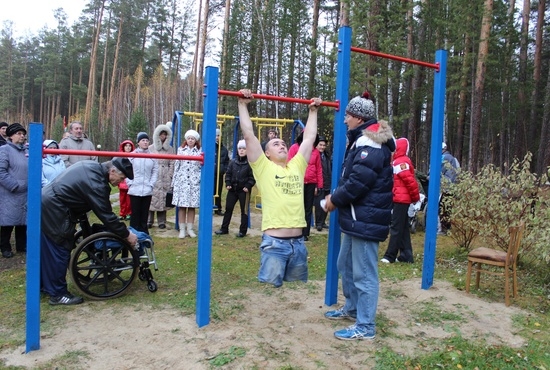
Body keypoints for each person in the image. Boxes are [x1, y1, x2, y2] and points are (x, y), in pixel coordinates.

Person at [323, 91, 395, 341]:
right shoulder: (360, 140)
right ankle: (352, 308)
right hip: (356, 217)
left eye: (348, 116)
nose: (344, 120)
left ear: (358, 118)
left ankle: (365, 326)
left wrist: (334, 199)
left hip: (366, 218)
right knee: (345, 265)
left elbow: (358, 183)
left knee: (364, 273)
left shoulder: (371, 143)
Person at [237, 88, 322, 288]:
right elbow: (249, 135)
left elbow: (309, 138)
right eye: (276, 144)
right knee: (267, 290)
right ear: (266, 153)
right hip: (275, 244)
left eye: (284, 143)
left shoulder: (297, 166)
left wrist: (313, 111)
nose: (282, 146)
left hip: (298, 245)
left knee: (296, 291)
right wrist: (242, 105)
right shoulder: (263, 167)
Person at [41, 158, 138, 305]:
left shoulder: (92, 168)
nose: (121, 182)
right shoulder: (97, 183)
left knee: (48, 250)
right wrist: (126, 234)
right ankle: (58, 294)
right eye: (122, 178)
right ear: (112, 171)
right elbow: (106, 216)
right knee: (59, 250)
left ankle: (45, 286)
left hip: (48, 203)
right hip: (55, 209)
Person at [381, 137, 420, 263]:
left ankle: (390, 256)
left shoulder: (401, 163)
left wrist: (415, 197)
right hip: (400, 198)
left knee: (396, 228)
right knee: (402, 228)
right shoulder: (399, 161)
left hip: (401, 199)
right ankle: (406, 255)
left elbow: (410, 182)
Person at [215, 139, 256, 237]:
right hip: (233, 189)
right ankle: (224, 228)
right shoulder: (233, 162)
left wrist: (248, 186)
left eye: (244, 149)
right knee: (228, 209)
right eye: (240, 148)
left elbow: (252, 177)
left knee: (244, 211)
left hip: (244, 191)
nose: (241, 150)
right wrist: (228, 183)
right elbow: (228, 174)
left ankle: (243, 231)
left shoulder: (250, 163)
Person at [287, 131, 323, 241]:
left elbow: (319, 168)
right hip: (297, 182)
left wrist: (319, 185)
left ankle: (305, 233)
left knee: (308, 208)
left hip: (311, 183)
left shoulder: (315, 151)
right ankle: (294, 231)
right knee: (297, 207)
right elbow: (289, 164)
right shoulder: (294, 148)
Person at [0, 123, 29, 258]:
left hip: (25, 192)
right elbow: (1, 171)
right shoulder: (4, 150)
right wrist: (13, 185)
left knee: (23, 220)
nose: (22, 136)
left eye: (23, 134)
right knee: (8, 221)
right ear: (11, 136)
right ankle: (5, 247)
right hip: (10, 192)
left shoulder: (26, 151)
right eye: (19, 133)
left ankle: (21, 245)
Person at [172, 129, 202, 238]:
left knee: (192, 207)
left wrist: (199, 178)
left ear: (195, 140)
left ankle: (190, 229)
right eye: (189, 138)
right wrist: (174, 182)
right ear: (186, 139)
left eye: (192, 138)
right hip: (182, 182)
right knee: (182, 206)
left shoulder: (199, 151)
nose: (190, 140)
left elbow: (200, 167)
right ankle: (182, 230)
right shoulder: (181, 150)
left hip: (194, 182)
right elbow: (177, 166)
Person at [126, 132, 158, 234]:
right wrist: (130, 183)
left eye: (147, 140)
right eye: (143, 140)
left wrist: (151, 184)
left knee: (144, 215)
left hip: (147, 190)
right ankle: (133, 236)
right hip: (135, 189)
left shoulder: (152, 156)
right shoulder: (132, 156)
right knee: (135, 214)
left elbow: (155, 171)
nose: (145, 142)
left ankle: (144, 236)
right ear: (138, 142)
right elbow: (126, 170)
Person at [148, 122, 175, 229]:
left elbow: (173, 162)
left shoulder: (170, 149)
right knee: (151, 198)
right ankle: (149, 220)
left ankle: (162, 221)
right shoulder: (151, 148)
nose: (163, 136)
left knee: (163, 199)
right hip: (154, 174)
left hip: (165, 175)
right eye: (161, 134)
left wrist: (170, 174)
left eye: (165, 135)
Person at [439, 142, 460, 234]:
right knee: (448, 208)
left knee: (442, 207)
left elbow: (440, 170)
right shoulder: (452, 158)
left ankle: (444, 228)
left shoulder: (444, 158)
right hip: (453, 186)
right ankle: (447, 227)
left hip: (446, 186)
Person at [314, 136, 331, 231]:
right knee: (318, 204)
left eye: (324, 145)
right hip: (319, 183)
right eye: (320, 145)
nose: (322, 147)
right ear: (316, 145)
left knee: (326, 203)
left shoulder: (327, 155)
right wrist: (316, 185)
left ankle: (323, 221)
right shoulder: (315, 155)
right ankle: (318, 223)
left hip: (327, 182)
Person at [118, 139, 135, 220]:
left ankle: (129, 213)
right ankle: (122, 213)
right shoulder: (120, 157)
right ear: (123, 147)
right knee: (122, 199)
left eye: (129, 146)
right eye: (126, 146)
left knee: (129, 200)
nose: (128, 148)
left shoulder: (134, 156)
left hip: (129, 180)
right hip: (122, 181)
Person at [214, 128, 229, 216]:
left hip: (219, 173)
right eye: (215, 136)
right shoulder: (210, 147)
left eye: (218, 136)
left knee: (218, 191)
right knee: (210, 191)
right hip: (210, 174)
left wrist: (224, 169)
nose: (217, 137)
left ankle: (218, 208)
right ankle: (209, 207)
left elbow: (227, 161)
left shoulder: (224, 149)